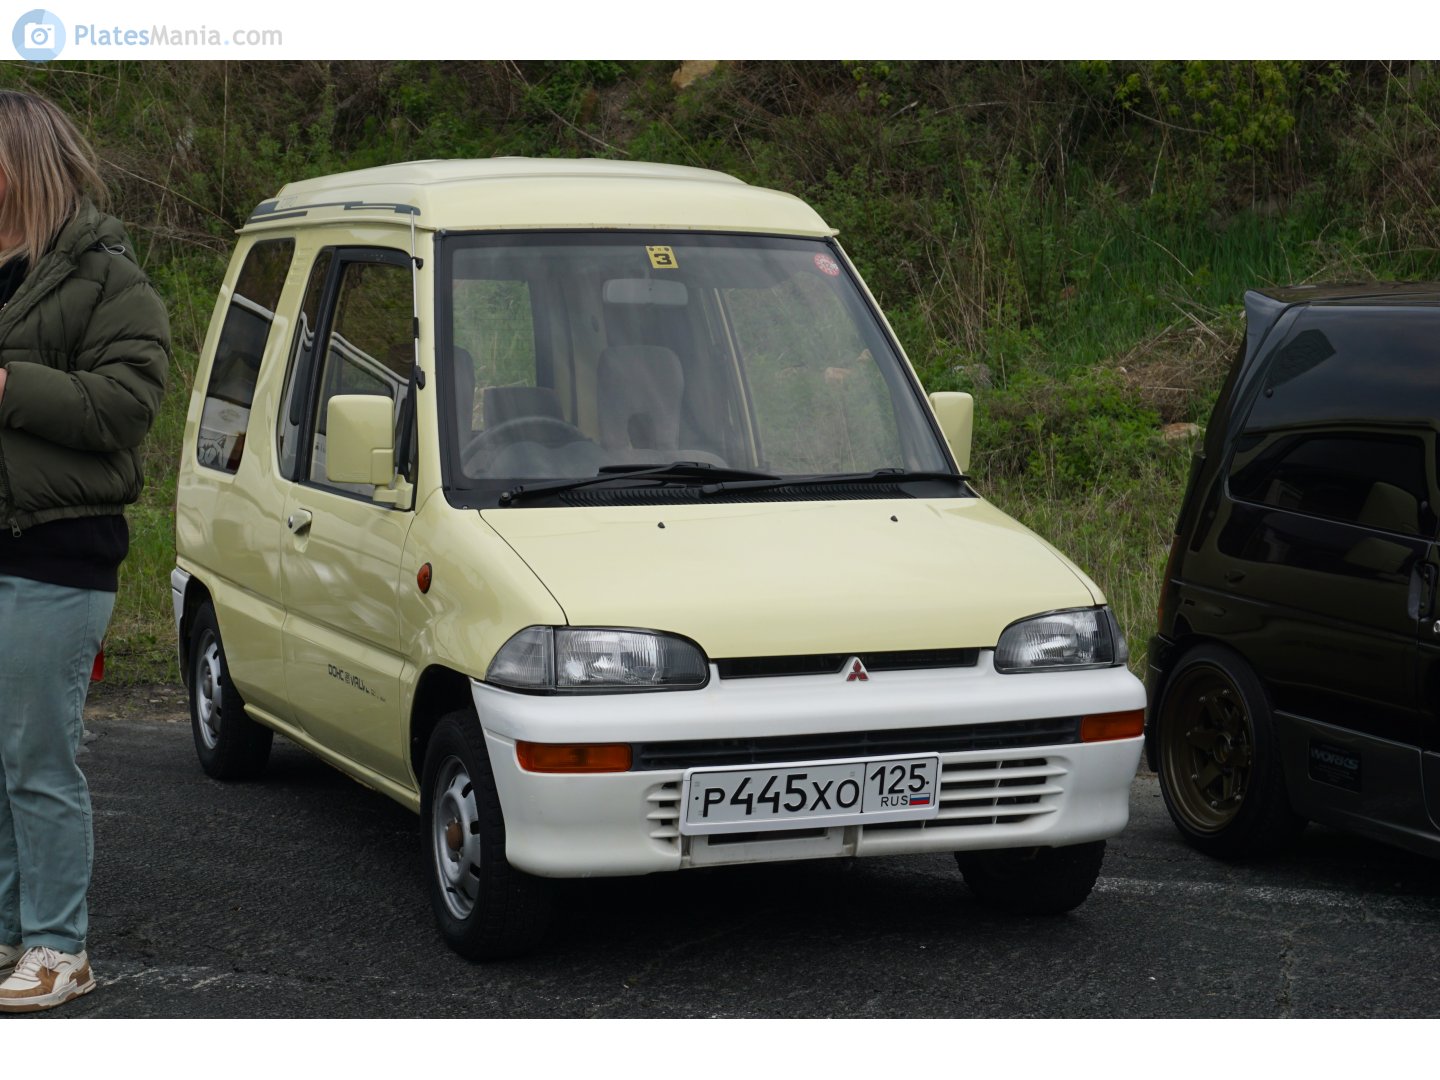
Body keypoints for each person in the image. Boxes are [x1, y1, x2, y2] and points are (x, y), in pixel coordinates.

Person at [0, 89, 169, 1013]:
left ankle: (60, 948)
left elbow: (125, 409)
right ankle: (8, 934)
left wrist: (7, 383)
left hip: (56, 554)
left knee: (36, 758)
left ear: (21, 162)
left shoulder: (108, 279)